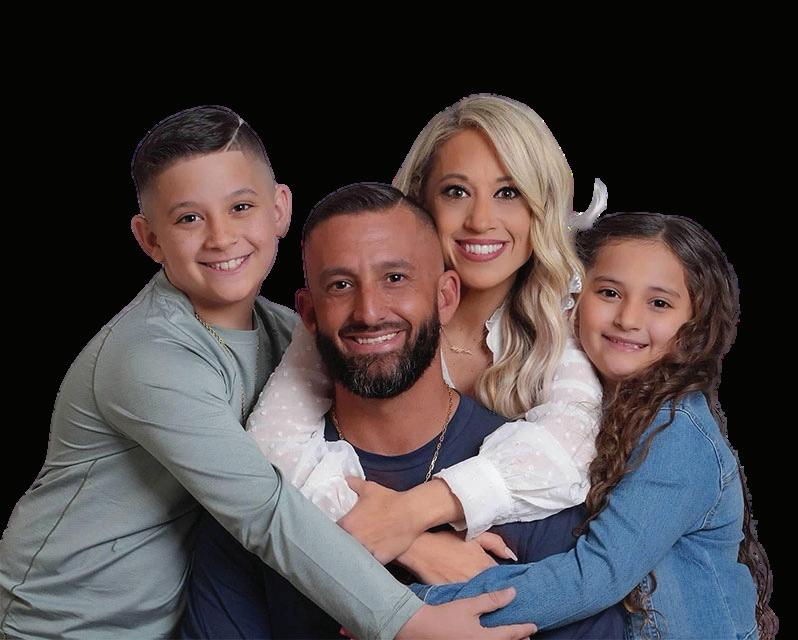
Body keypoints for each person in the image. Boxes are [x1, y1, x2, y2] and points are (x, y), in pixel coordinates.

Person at [0, 106, 532, 640]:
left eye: (240, 207)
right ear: (150, 239)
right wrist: (409, 597)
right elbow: (263, 509)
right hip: (68, 623)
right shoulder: (148, 358)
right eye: (188, 219)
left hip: (178, 613)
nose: (220, 237)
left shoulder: (285, 331)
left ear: (279, 209)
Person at [181, 182, 624, 639]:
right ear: (309, 314)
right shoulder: (256, 496)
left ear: (445, 297)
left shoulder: (532, 487)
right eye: (340, 285)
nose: (370, 311)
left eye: (395, 278)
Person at [248, 94, 608, 567]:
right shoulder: (366, 318)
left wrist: (415, 512)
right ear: (421, 200)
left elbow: (574, 445)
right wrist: (411, 542)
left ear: (542, 207)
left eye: (508, 193)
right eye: (456, 192)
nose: (481, 221)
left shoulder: (564, 319)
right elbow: (270, 448)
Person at [408, 212, 778, 639]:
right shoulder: (578, 406)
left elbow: (593, 577)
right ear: (574, 300)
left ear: (694, 324)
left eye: (659, 303)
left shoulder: (677, 434)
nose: (628, 318)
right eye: (609, 293)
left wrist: (408, 607)